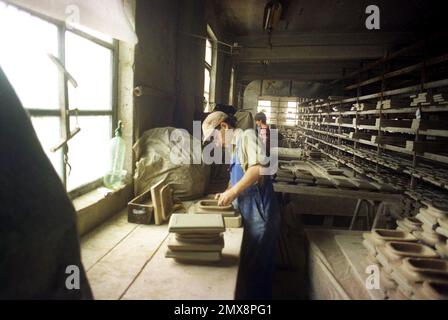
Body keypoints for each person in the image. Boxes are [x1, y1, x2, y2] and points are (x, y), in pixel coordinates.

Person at [202, 111, 281, 300]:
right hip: (248, 215)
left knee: (258, 273)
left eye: (213, 138)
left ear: (223, 127)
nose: (214, 143)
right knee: (248, 269)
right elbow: (238, 178)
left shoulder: (248, 136)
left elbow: (258, 169)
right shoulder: (234, 149)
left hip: (261, 216)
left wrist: (232, 192)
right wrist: (227, 190)